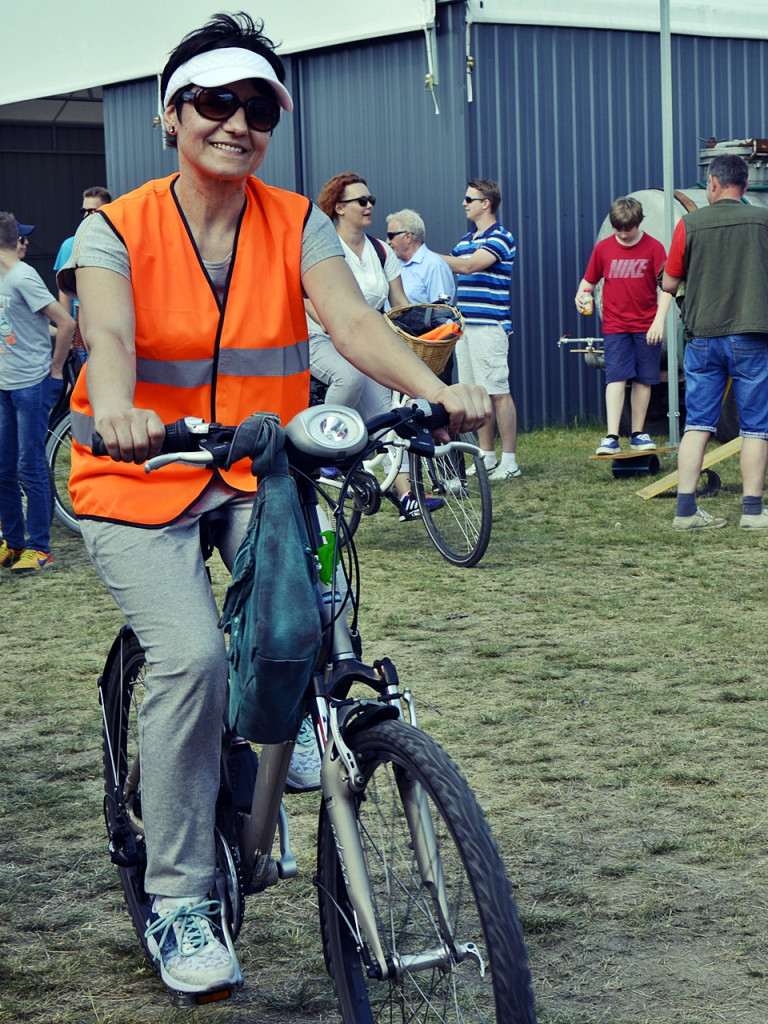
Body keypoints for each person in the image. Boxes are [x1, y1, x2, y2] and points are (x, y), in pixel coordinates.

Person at [57, 12, 489, 1000]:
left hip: (256, 467)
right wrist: (118, 408)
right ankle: (179, 894)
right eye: (215, 101)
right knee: (195, 654)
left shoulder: (292, 219)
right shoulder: (113, 227)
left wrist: (434, 388)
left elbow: (351, 321)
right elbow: (110, 339)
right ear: (172, 116)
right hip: (137, 475)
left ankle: (278, 731)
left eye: (257, 106)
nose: (237, 122)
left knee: (311, 613)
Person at [307, 173, 437, 520]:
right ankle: (322, 453)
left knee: (393, 410)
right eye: (361, 201)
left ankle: (407, 494)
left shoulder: (381, 250)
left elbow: (399, 304)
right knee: (348, 378)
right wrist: (334, 324)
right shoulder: (322, 248)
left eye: (371, 200)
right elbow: (305, 298)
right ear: (338, 208)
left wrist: (424, 328)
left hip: (366, 338)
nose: (369, 206)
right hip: (319, 336)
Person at [662, 153, 768, 531]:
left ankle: (686, 511)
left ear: (713, 183)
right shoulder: (762, 221)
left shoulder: (688, 224)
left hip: (703, 337)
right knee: (755, 427)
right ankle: (753, 511)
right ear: (743, 185)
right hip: (752, 335)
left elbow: (670, 283)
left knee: (698, 426)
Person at [0, 212, 75, 572]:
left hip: (31, 384)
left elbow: (66, 322)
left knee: (30, 466)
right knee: (4, 467)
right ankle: (13, 543)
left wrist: (55, 370)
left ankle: (40, 547)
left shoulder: (23, 276)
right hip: (5, 385)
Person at [575, 196, 673, 456]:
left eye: (627, 230)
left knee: (645, 378)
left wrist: (658, 321)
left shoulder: (654, 248)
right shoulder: (604, 248)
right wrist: (581, 295)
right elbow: (589, 281)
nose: (623, 235)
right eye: (618, 230)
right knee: (616, 377)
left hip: (646, 325)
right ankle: (611, 436)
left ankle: (639, 434)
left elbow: (667, 287)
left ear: (638, 223)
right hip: (615, 325)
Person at [438, 179, 520, 480]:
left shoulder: (501, 237)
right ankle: (486, 455)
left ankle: (510, 461)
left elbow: (470, 266)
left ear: (486, 203)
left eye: (470, 199)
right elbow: (456, 264)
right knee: (476, 394)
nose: (464, 203)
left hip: (490, 326)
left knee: (498, 392)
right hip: (466, 327)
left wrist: (426, 256)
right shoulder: (464, 240)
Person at [386, 207, 457, 384]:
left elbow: (442, 315)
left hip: (427, 353)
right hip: (397, 349)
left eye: (391, 235)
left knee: (433, 406)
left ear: (408, 237)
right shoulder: (395, 266)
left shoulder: (434, 265)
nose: (387, 242)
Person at [53, 187, 112, 363]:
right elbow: (64, 292)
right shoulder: (70, 245)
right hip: (82, 320)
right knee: (87, 372)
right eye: (83, 210)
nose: (86, 215)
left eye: (92, 210)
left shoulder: (119, 242)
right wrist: (70, 332)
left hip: (112, 318)